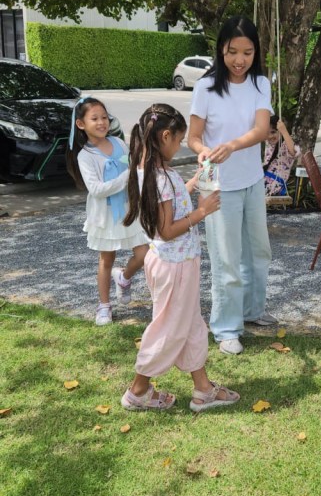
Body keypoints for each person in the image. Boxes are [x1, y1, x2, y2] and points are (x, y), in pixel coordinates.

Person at [121, 104, 239, 412]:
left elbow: (172, 202)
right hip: (175, 266)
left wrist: (196, 180)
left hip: (173, 263)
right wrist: (202, 212)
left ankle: (203, 389)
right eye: (178, 140)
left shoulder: (152, 171)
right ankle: (138, 391)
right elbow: (167, 230)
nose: (180, 146)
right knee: (169, 328)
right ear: (165, 136)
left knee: (189, 324)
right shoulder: (161, 177)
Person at [188, 16, 276, 356]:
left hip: (252, 180)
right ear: (221, 50)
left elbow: (261, 130)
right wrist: (203, 150)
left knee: (258, 252)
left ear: (256, 52)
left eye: (247, 52)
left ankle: (252, 311)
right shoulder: (206, 87)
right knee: (226, 258)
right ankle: (226, 327)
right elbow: (194, 138)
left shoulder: (260, 84)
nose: (240, 60)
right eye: (232, 52)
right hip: (217, 187)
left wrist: (232, 146)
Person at [66, 97, 148, 326]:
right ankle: (104, 305)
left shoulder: (119, 143)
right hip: (105, 215)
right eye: (95, 118)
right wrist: (127, 176)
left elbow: (135, 168)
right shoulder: (85, 156)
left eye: (104, 117)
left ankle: (124, 277)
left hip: (130, 209)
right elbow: (96, 189)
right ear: (81, 124)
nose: (101, 122)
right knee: (106, 259)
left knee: (144, 254)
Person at [263, 115, 300, 197]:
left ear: (280, 131)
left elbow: (294, 152)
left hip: (274, 186)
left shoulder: (285, 145)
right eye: (267, 133)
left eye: (273, 132)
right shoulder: (268, 143)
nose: (270, 136)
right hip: (264, 181)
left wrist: (284, 131)